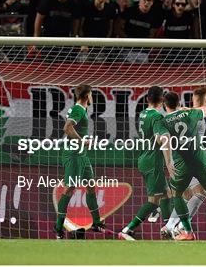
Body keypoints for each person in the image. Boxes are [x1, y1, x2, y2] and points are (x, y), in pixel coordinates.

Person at [156, 92, 206, 241]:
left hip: (182, 163)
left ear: (165, 105)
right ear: (179, 102)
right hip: (201, 159)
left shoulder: (163, 121)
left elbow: (164, 139)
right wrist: (190, 109)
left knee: (177, 194)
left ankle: (188, 231)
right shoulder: (191, 113)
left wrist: (168, 161)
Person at [118, 86, 173, 240]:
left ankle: (130, 229)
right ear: (162, 99)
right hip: (153, 161)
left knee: (164, 196)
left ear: (148, 99)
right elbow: (160, 138)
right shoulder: (157, 117)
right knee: (158, 199)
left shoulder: (143, 114)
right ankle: (166, 229)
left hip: (144, 159)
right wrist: (168, 159)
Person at [54, 84, 107, 239]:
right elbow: (67, 127)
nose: (92, 97)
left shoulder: (82, 110)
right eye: (91, 94)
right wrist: (82, 140)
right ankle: (58, 228)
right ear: (87, 96)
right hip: (73, 155)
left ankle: (96, 223)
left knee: (91, 186)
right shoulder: (78, 109)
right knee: (70, 189)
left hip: (81, 155)